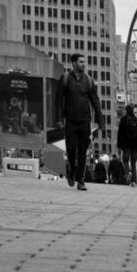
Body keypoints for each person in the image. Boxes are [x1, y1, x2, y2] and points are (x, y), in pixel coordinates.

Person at [56, 53, 104, 191]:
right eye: (81, 62)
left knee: (83, 151)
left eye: (84, 62)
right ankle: (71, 170)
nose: (84, 64)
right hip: (70, 120)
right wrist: (59, 119)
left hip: (85, 121)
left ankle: (80, 180)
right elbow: (58, 101)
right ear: (74, 63)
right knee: (71, 149)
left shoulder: (89, 80)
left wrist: (100, 120)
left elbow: (95, 101)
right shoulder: (65, 79)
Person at [116, 104, 137, 185]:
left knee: (125, 160)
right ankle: (133, 181)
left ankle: (128, 173)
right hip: (135, 146)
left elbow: (120, 133)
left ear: (126, 111)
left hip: (126, 145)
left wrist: (119, 145)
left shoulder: (123, 120)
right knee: (133, 163)